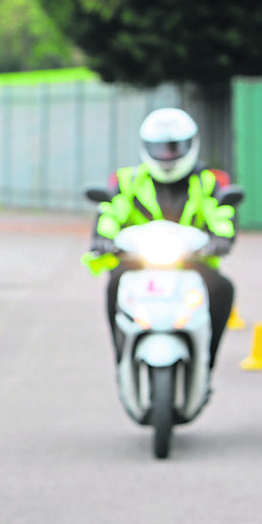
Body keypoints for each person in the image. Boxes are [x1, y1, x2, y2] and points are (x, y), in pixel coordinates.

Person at [89, 107, 239, 368]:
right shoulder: (129, 180)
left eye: (174, 148)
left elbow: (222, 215)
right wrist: (103, 237)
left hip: (192, 262)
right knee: (115, 283)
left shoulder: (206, 182)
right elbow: (111, 212)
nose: (167, 155)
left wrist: (221, 239)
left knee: (223, 289)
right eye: (160, 148)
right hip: (138, 261)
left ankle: (207, 358)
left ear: (191, 145)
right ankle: (121, 354)